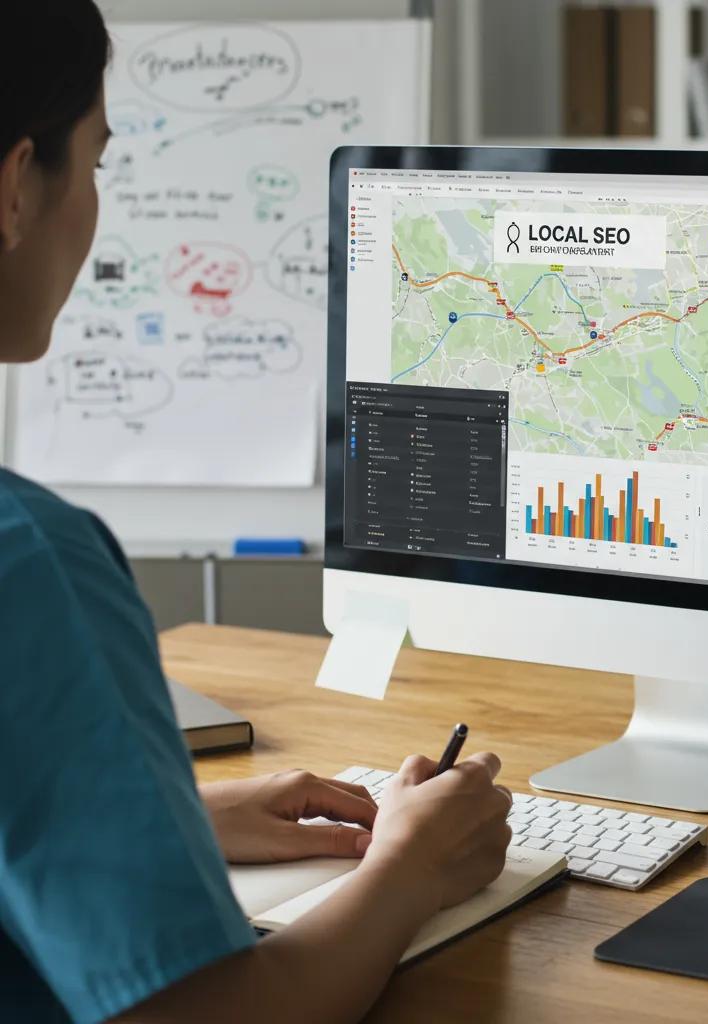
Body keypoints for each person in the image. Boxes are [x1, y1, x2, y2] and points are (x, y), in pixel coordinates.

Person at [0, 4, 512, 1022]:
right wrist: (408, 867)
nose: (94, 204)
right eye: (96, 164)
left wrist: (168, 814)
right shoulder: (31, 568)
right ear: (17, 188)